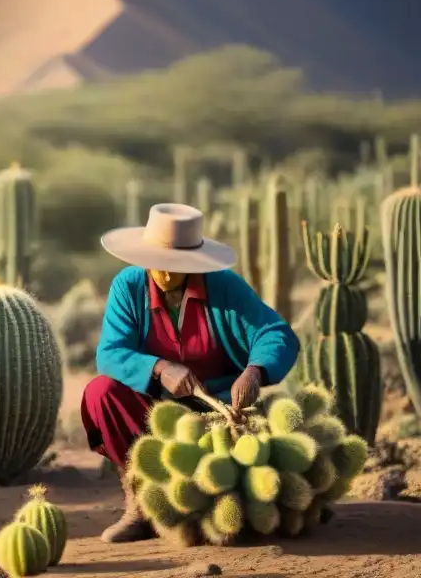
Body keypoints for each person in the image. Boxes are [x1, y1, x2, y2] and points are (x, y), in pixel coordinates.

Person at [81, 203, 299, 543]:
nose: (166, 274)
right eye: (159, 263)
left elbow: (275, 333)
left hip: (219, 413)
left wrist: (256, 371)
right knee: (101, 391)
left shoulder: (225, 286)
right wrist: (159, 367)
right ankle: (140, 505)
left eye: (176, 265)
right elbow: (110, 353)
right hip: (153, 412)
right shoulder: (128, 286)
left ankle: (209, 511)